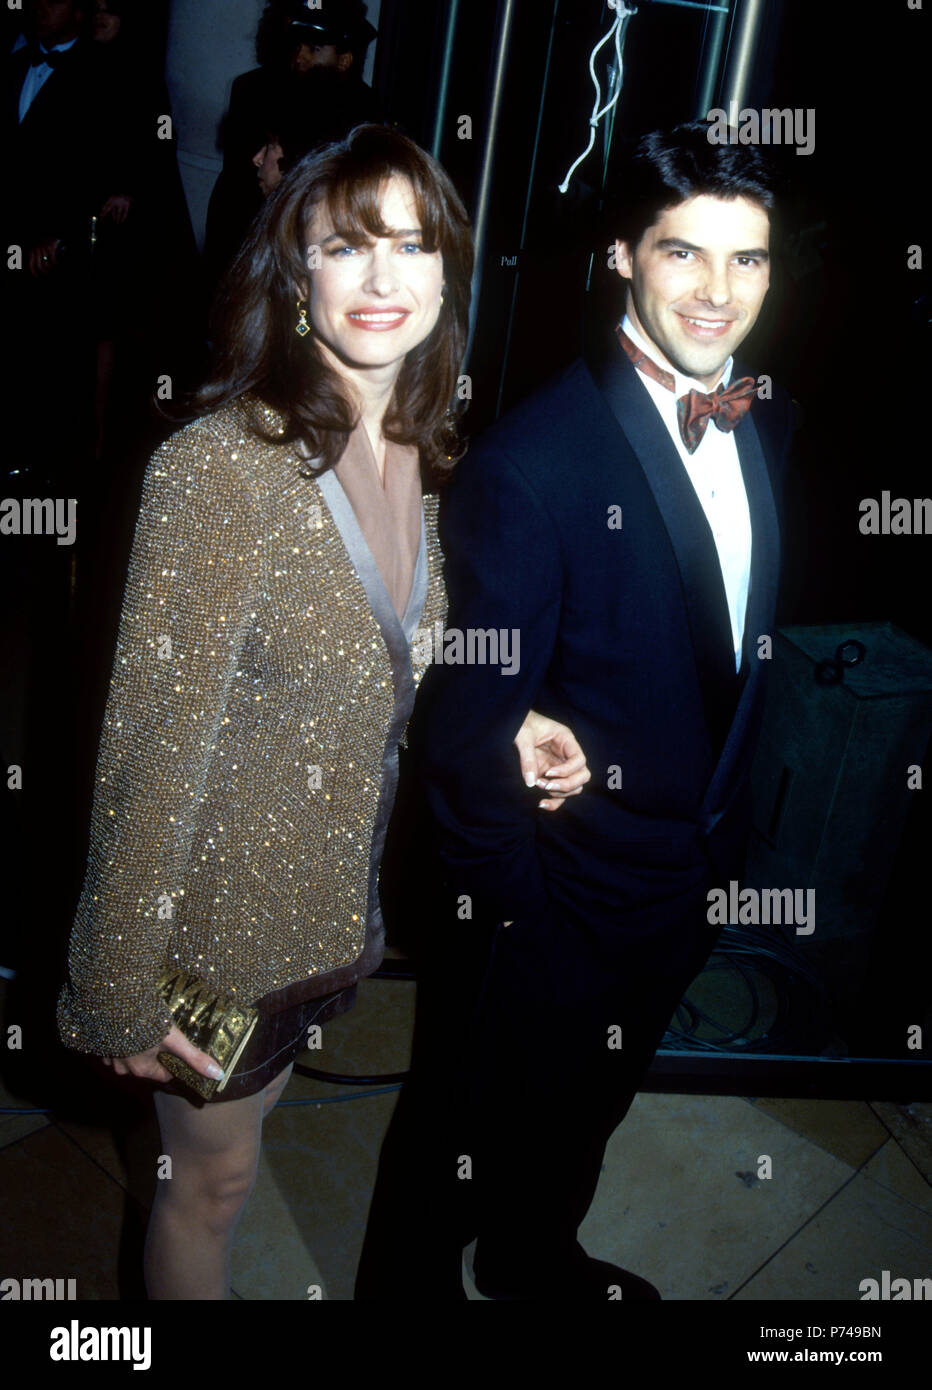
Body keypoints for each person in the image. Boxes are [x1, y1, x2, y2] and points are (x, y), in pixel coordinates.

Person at [56, 124, 590, 1301]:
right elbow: (152, 747)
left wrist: (509, 722)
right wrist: (112, 984)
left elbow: (406, 651)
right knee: (211, 1188)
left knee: (228, 1168)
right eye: (346, 247)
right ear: (295, 275)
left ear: (449, 272)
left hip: (329, 918)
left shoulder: (419, 445)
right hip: (216, 939)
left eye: (411, 244)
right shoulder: (218, 470)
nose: (384, 278)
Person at [356, 122, 794, 1300]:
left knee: (588, 1106)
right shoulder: (533, 463)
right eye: (680, 254)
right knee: (453, 1132)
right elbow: (461, 732)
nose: (715, 293)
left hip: (687, 871)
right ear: (618, 258)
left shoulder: (766, 421)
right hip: (557, 896)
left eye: (744, 260)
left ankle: (534, 1257)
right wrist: (516, 919)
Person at [205, 0, 381, 292]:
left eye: (313, 49)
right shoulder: (255, 91)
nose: (299, 57)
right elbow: (235, 184)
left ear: (344, 60)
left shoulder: (364, 113)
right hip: (249, 241)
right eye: (297, 46)